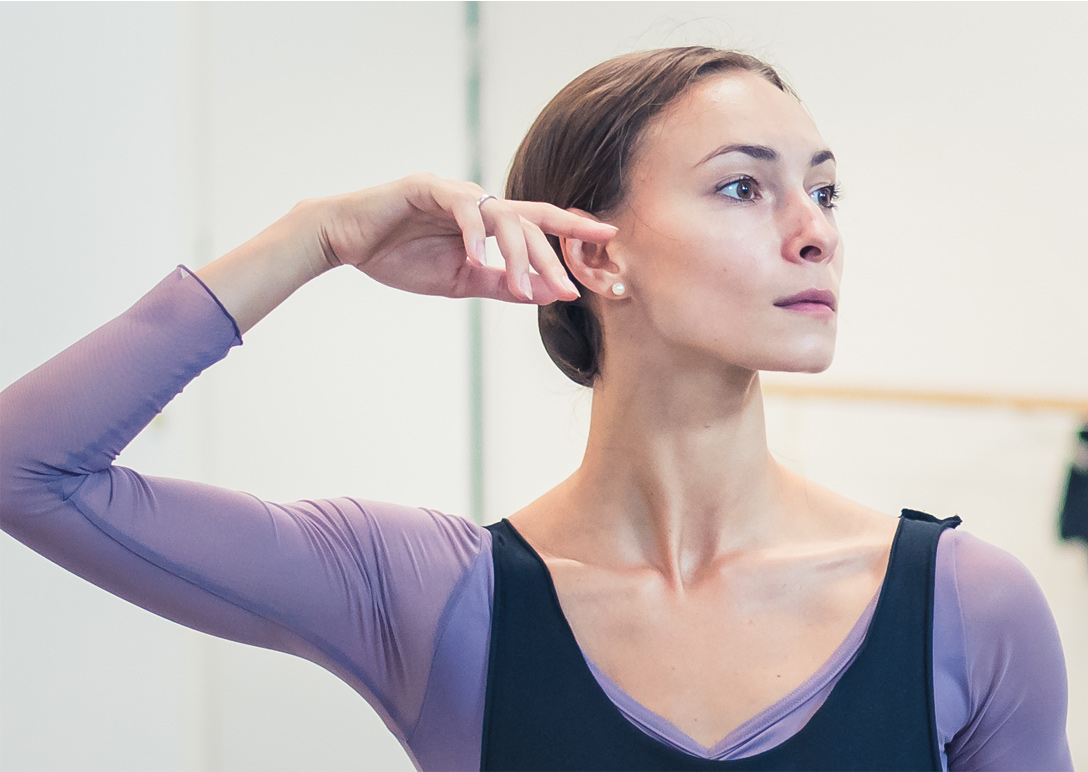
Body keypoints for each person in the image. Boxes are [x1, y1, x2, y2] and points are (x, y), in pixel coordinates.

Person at [0, 46, 1072, 771]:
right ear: (589, 248)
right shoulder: (429, 596)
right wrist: (314, 238)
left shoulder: (966, 607)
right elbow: (26, 468)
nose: (814, 232)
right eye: (743, 186)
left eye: (824, 191)